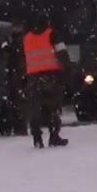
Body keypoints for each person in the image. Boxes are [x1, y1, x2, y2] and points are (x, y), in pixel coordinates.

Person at [20, 13, 71, 148]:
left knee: (35, 109)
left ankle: (37, 138)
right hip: (51, 76)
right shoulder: (52, 34)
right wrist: (67, 70)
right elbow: (62, 54)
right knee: (53, 108)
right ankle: (54, 136)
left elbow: (21, 58)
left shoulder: (26, 37)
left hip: (33, 78)